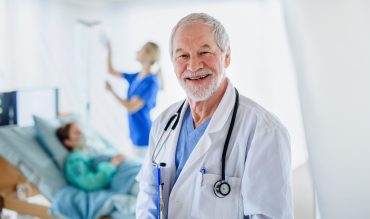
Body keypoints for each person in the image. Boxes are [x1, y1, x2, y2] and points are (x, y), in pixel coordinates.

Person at [136, 13, 293, 219]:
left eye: (204, 52)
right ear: (173, 63)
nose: (193, 66)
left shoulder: (263, 131)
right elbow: (149, 197)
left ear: (226, 56)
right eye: (183, 55)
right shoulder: (164, 123)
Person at [105, 41, 161, 159]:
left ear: (148, 55)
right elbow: (111, 71)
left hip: (143, 135)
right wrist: (109, 48)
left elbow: (131, 107)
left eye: (141, 50)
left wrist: (112, 91)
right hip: (135, 133)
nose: (137, 52)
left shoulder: (151, 82)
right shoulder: (136, 76)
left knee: (141, 172)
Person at [56, 122, 141, 194]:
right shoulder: (74, 160)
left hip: (135, 171)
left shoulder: (90, 150)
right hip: (129, 180)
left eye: (81, 130)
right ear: (68, 142)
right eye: (77, 132)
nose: (82, 133)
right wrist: (112, 164)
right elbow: (89, 182)